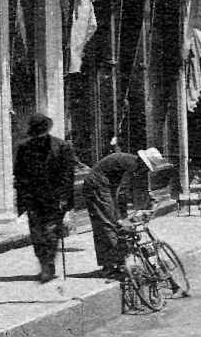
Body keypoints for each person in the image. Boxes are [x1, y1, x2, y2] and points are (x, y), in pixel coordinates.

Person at [13, 114, 76, 283]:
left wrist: (64, 198)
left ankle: (48, 265)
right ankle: (44, 263)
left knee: (51, 233)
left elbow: (67, 175)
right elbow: (19, 174)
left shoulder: (61, 147)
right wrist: (23, 198)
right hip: (33, 198)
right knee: (37, 234)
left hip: (54, 199)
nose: (39, 137)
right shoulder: (24, 148)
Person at [82, 148, 158, 279]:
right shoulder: (131, 164)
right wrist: (121, 218)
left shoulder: (132, 162)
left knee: (109, 223)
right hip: (97, 186)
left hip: (103, 186)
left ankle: (111, 264)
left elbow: (119, 191)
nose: (146, 171)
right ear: (144, 163)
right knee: (108, 224)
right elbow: (122, 191)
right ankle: (114, 265)